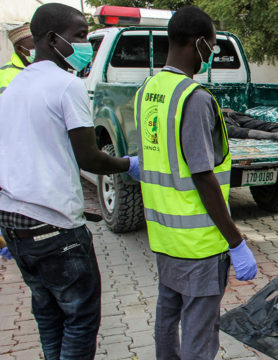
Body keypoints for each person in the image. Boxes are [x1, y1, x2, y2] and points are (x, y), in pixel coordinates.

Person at [0, 3, 139, 359]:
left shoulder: (15, 87)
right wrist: (129, 165)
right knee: (79, 320)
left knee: (48, 315)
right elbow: (89, 157)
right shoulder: (67, 86)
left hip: (15, 224)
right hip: (56, 230)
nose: (86, 44)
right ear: (51, 38)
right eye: (79, 36)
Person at [133, 6, 258, 359]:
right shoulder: (195, 98)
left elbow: (153, 155)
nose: (212, 55)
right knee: (200, 333)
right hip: (200, 242)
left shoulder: (148, 90)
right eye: (213, 47)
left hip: (163, 234)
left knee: (167, 315)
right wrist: (236, 240)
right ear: (199, 43)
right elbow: (203, 176)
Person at [0, 22, 35, 94]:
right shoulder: (6, 74)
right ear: (19, 49)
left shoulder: (44, 67)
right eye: (33, 47)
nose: (38, 50)